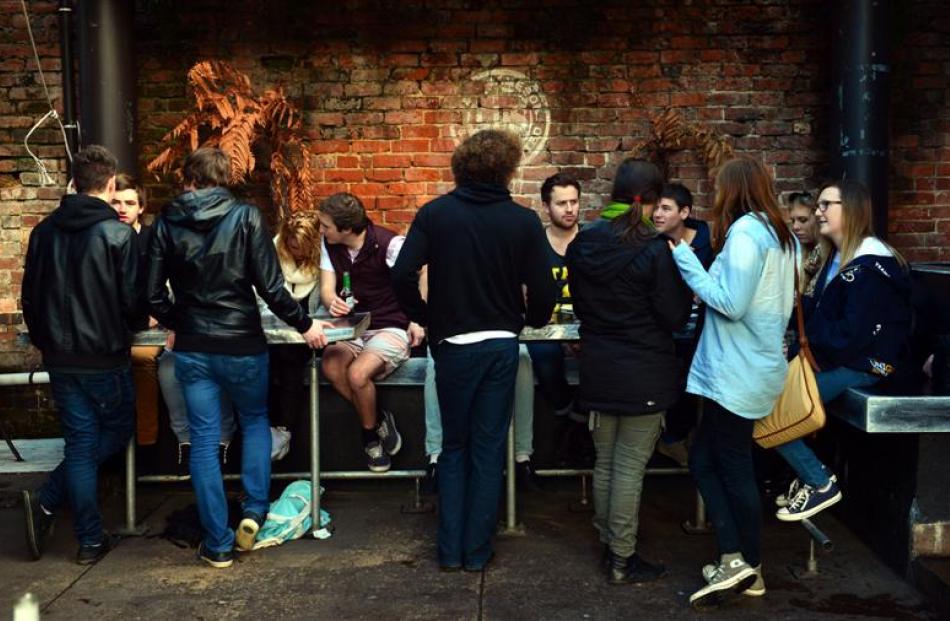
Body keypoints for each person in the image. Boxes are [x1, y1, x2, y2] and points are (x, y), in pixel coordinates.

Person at [147, 147, 329, 569]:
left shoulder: (165, 222)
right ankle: (254, 512)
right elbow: (270, 286)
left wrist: (180, 321)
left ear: (187, 179)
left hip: (193, 349)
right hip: (243, 345)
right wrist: (305, 324)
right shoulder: (246, 217)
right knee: (254, 422)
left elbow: (153, 294)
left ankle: (217, 542)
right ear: (226, 178)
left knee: (204, 441)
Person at [391, 129, 555, 572]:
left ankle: (449, 551)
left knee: (455, 447)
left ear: (460, 166)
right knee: (487, 449)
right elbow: (544, 288)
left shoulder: (435, 215)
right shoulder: (522, 221)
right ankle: (477, 552)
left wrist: (425, 317)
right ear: (507, 168)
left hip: (453, 349)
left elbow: (402, 275)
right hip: (500, 346)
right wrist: (534, 320)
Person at [669, 157, 797, 607]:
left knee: (728, 464)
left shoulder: (746, 233)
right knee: (708, 460)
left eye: (719, 187)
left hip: (736, 370)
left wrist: (683, 257)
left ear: (733, 189)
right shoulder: (782, 235)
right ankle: (742, 563)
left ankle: (744, 560)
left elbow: (730, 302)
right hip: (754, 366)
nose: (714, 195)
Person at [566, 158, 693, 585]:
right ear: (654, 200)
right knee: (629, 467)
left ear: (614, 192)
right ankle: (622, 556)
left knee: (605, 462)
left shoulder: (584, 242)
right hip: (645, 371)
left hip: (598, 367)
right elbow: (675, 317)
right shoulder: (656, 249)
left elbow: (581, 305)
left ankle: (608, 542)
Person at [22, 145, 145, 564]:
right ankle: (55, 504)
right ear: (110, 185)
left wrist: (46, 342)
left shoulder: (43, 232)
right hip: (105, 356)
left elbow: (29, 299)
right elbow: (133, 301)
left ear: (73, 182)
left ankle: (83, 533)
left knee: (79, 443)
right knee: (117, 431)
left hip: (60, 357)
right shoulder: (117, 234)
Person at [774, 179, 912, 522]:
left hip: (866, 364)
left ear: (850, 210)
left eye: (826, 205)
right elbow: (816, 314)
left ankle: (818, 481)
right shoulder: (835, 257)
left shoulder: (870, 264)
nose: (818, 212)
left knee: (774, 408)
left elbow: (852, 334)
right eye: (819, 205)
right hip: (838, 358)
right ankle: (807, 476)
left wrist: (807, 355)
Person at [317, 192, 423, 473]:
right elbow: (327, 290)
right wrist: (332, 302)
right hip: (352, 327)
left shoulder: (389, 244)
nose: (322, 230)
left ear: (347, 229)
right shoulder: (330, 245)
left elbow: (423, 272)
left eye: (326, 225)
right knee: (331, 365)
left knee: (357, 374)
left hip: (389, 325)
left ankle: (369, 439)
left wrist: (417, 318)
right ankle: (378, 422)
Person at [651, 182, 713, 466]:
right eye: (656, 208)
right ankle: (669, 439)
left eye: (666, 208)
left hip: (701, 333)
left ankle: (676, 438)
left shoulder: (705, 243)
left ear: (684, 212)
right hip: (664, 331)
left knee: (690, 383)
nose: (657, 214)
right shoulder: (654, 243)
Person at [111, 174, 163, 447]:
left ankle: (145, 440)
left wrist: (156, 314)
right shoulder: (103, 237)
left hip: (149, 325)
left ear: (141, 207)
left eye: (129, 203)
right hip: (111, 326)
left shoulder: (153, 238)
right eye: (116, 202)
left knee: (142, 359)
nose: (122, 209)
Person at [269, 211, 322, 460]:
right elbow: (263, 296)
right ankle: (269, 429)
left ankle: (284, 429)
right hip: (272, 327)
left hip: (309, 329)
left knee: (291, 358)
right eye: (292, 247)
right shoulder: (272, 253)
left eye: (302, 248)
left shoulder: (324, 261)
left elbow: (321, 306)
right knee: (265, 360)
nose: (297, 253)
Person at [787, 192, 826, 286]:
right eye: (793, 221)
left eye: (803, 220)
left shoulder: (832, 257)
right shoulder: (793, 254)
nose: (795, 226)